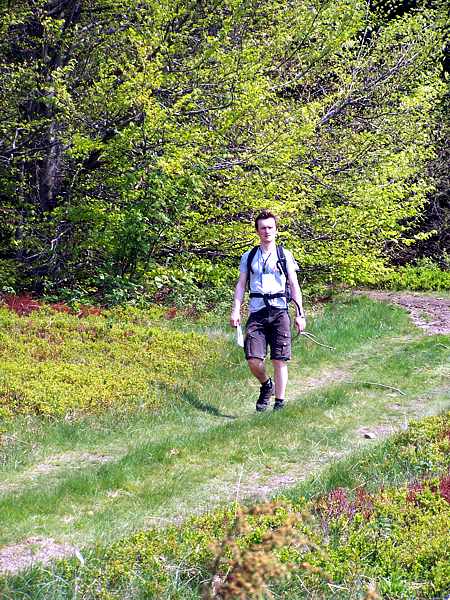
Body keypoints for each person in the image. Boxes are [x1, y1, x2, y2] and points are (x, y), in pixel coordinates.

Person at [230, 210, 306, 411]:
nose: (267, 231)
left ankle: (279, 403)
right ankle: (266, 385)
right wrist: (235, 310)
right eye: (263, 228)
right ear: (257, 231)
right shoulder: (249, 256)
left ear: (276, 230)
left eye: (270, 227)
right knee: (253, 359)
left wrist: (300, 314)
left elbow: (294, 285)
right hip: (257, 312)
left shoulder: (284, 255)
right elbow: (241, 284)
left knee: (279, 359)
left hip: (280, 311)